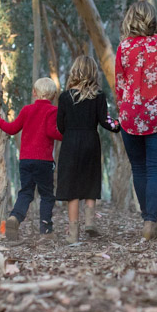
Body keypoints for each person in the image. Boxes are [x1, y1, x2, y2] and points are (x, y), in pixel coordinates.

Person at [115, 1, 157, 240]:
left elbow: (120, 86)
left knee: (139, 168)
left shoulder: (123, 48)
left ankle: (146, 219)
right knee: (155, 168)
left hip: (130, 116)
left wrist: (123, 111)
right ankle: (151, 223)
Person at [0, 78, 63, 240]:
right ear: (53, 95)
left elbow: (12, 128)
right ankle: (46, 230)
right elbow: (52, 132)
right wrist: (67, 134)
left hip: (26, 160)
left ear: (34, 93)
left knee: (26, 193)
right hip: (44, 161)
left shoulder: (27, 110)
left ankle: (14, 217)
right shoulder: (53, 111)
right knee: (47, 195)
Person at [56, 56, 120, 243]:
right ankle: (90, 222)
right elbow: (105, 121)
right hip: (91, 140)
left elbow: (60, 125)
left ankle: (73, 234)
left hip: (70, 142)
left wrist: (69, 132)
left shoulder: (65, 97)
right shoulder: (98, 95)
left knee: (72, 188)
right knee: (90, 180)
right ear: (93, 73)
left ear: (74, 71)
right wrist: (118, 124)